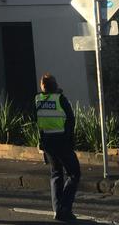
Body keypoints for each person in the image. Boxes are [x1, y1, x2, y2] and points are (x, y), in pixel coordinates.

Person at [35, 73, 81, 222]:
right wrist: (70, 139)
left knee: (56, 174)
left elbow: (37, 121)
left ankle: (57, 210)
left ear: (43, 87)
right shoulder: (61, 99)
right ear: (55, 86)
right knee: (74, 173)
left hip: (47, 142)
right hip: (61, 140)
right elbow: (71, 120)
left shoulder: (38, 100)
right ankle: (64, 207)